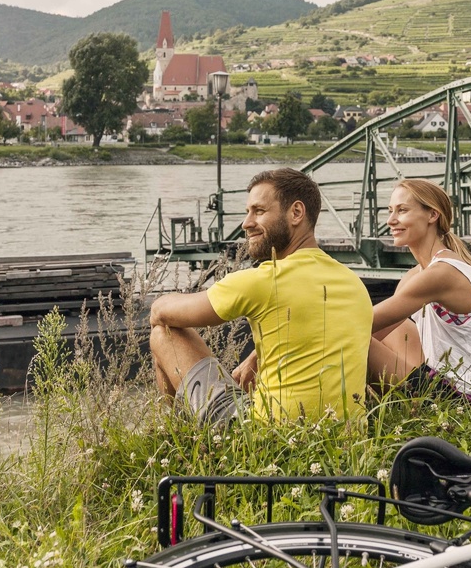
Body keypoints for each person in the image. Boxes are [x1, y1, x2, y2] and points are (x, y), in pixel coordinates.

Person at [149, 167, 374, 422]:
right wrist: (257, 356)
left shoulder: (263, 280)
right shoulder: (353, 283)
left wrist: (159, 305)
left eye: (259, 211)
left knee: (164, 333)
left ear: (296, 213)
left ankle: (181, 434)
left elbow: (160, 312)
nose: (246, 223)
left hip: (265, 439)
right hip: (340, 441)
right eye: (248, 212)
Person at [367, 179, 471, 401]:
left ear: (432, 215)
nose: (391, 220)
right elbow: (376, 328)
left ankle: (359, 414)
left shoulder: (441, 273)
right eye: (390, 211)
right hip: (460, 383)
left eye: (402, 211)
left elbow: (361, 326)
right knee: (393, 329)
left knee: (355, 341)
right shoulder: (417, 275)